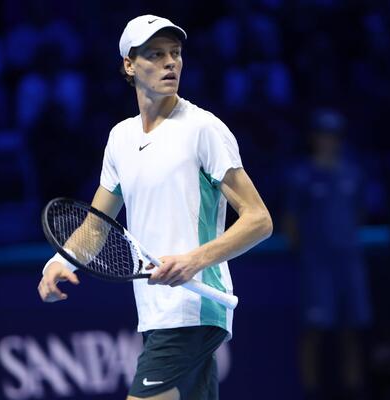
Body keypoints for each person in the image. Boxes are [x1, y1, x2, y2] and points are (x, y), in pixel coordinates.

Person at [36, 15, 273, 400]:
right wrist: (58, 263)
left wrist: (194, 260)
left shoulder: (203, 129)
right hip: (154, 313)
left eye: (175, 53)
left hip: (194, 307)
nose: (170, 63)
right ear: (129, 65)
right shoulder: (120, 138)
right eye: (156, 55)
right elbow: (96, 226)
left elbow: (259, 220)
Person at [284, 109, 371, 400]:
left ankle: (353, 389)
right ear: (314, 138)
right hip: (316, 266)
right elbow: (291, 222)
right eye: (323, 135)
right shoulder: (300, 176)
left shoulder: (353, 173)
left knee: (352, 329)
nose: (328, 141)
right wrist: (306, 254)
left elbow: (359, 214)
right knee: (313, 330)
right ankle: (310, 391)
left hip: (349, 263)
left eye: (333, 136)